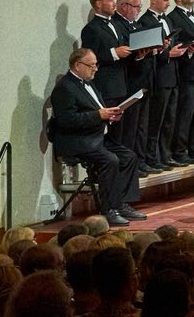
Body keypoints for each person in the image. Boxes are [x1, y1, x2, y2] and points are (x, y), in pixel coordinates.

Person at [46, 46, 143, 226]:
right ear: (77, 65)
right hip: (77, 141)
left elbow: (98, 110)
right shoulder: (64, 88)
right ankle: (109, 210)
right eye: (91, 65)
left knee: (129, 157)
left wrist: (111, 115)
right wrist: (99, 115)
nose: (95, 69)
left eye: (96, 65)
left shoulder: (88, 83)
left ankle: (121, 204)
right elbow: (67, 121)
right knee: (110, 160)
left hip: (96, 137)